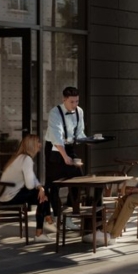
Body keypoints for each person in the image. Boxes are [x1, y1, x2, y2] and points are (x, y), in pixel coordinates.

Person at [0, 134, 53, 241]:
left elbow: (33, 179)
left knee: (43, 193)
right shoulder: (26, 159)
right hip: (10, 197)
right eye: (38, 142)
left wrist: (40, 187)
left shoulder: (20, 157)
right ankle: (43, 227)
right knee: (42, 196)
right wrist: (40, 189)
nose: (40, 145)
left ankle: (46, 222)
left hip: (4, 195)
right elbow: (29, 185)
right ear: (32, 145)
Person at [45, 86, 88, 217]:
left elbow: (80, 133)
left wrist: (89, 141)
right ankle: (57, 215)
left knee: (78, 178)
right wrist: (65, 157)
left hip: (69, 147)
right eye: (72, 102)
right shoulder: (55, 112)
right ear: (64, 99)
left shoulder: (79, 111)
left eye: (77, 101)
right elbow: (57, 138)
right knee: (53, 184)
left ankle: (70, 210)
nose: (75, 105)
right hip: (54, 149)